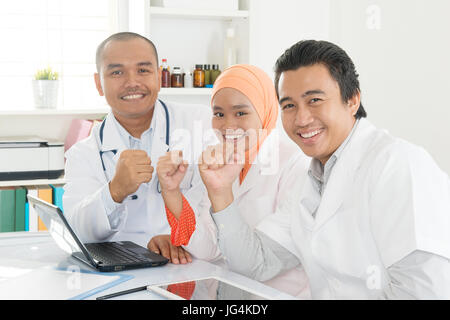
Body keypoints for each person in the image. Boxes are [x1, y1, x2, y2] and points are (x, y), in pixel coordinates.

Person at [197, 40, 450, 299]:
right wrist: (220, 192)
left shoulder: (398, 164)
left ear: (352, 99)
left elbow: (424, 291)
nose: (301, 119)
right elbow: (256, 263)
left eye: (314, 100)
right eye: (289, 105)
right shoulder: (311, 181)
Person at [148, 64, 311, 298]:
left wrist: (220, 190)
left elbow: (255, 265)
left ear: (265, 110)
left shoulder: (296, 165)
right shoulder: (222, 159)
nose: (227, 125)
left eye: (241, 113)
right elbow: (208, 250)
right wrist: (171, 192)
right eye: (219, 114)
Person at [63, 32, 211, 251]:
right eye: (117, 72)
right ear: (98, 83)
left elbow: (221, 210)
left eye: (143, 70)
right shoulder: (82, 154)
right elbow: (77, 231)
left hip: (191, 268)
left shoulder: (203, 124)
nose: (132, 82)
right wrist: (115, 191)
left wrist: (179, 236)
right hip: (122, 276)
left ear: (159, 76)